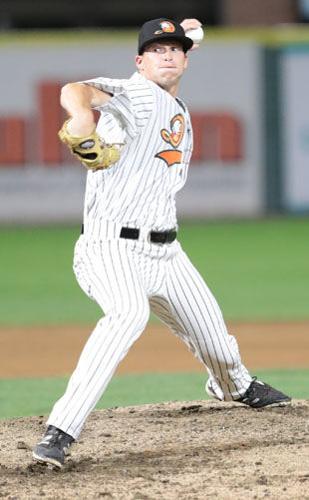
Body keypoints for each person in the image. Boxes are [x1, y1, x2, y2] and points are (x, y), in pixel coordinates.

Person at [33, 17, 291, 468]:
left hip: (167, 253)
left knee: (215, 341)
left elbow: (182, 45)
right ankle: (62, 429)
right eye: (156, 49)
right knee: (128, 315)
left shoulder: (173, 101)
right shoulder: (136, 94)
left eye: (175, 49)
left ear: (186, 59)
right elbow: (76, 90)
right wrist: (81, 117)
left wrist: (189, 34)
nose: (167, 54)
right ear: (139, 62)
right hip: (110, 248)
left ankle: (233, 386)